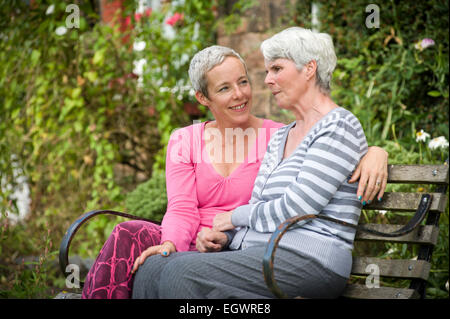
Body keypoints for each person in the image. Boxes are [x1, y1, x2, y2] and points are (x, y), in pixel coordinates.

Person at [83, 42, 388, 298]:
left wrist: (376, 151)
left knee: (175, 274)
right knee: (136, 247)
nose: (240, 95)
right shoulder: (184, 139)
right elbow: (181, 207)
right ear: (204, 98)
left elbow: (330, 144)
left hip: (247, 247)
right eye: (225, 88)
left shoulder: (276, 136)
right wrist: (170, 244)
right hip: (194, 243)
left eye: (243, 82)